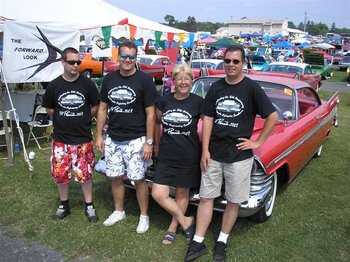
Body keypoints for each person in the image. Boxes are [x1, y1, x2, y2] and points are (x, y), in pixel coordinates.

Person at [184, 45, 278, 261]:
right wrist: (205, 150)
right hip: (214, 154)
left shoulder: (251, 88)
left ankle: (221, 241)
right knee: (207, 198)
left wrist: (257, 142)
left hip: (239, 157)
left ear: (243, 63)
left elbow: (271, 115)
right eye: (227, 61)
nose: (231, 65)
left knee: (233, 201)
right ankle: (197, 242)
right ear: (223, 62)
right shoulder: (216, 88)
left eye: (236, 61)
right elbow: (207, 119)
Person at [95, 40, 158, 234]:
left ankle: (144, 216)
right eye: (124, 56)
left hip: (136, 139)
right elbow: (103, 108)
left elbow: (151, 114)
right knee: (115, 177)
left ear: (136, 58)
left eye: (131, 56)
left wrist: (149, 142)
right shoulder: (109, 79)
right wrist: (98, 135)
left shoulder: (144, 80)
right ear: (118, 57)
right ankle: (119, 211)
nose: (127, 60)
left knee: (138, 180)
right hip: (113, 137)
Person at [42, 47, 100, 222]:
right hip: (61, 139)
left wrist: (84, 117)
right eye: (71, 62)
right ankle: (64, 205)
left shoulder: (87, 84)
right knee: (61, 174)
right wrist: (63, 117)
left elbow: (96, 105)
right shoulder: (54, 85)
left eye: (78, 62)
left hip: (82, 138)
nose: (75, 65)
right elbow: (50, 109)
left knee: (85, 174)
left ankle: (89, 206)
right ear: (63, 63)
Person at [151, 64, 204, 245]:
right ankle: (185, 220)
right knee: (158, 193)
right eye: (179, 78)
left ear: (192, 81)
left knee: (182, 193)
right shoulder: (164, 101)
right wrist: (156, 143)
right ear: (173, 81)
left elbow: (210, 124)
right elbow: (157, 122)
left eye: (187, 78)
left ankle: (172, 228)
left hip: (189, 154)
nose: (183, 82)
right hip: (166, 153)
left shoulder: (199, 102)